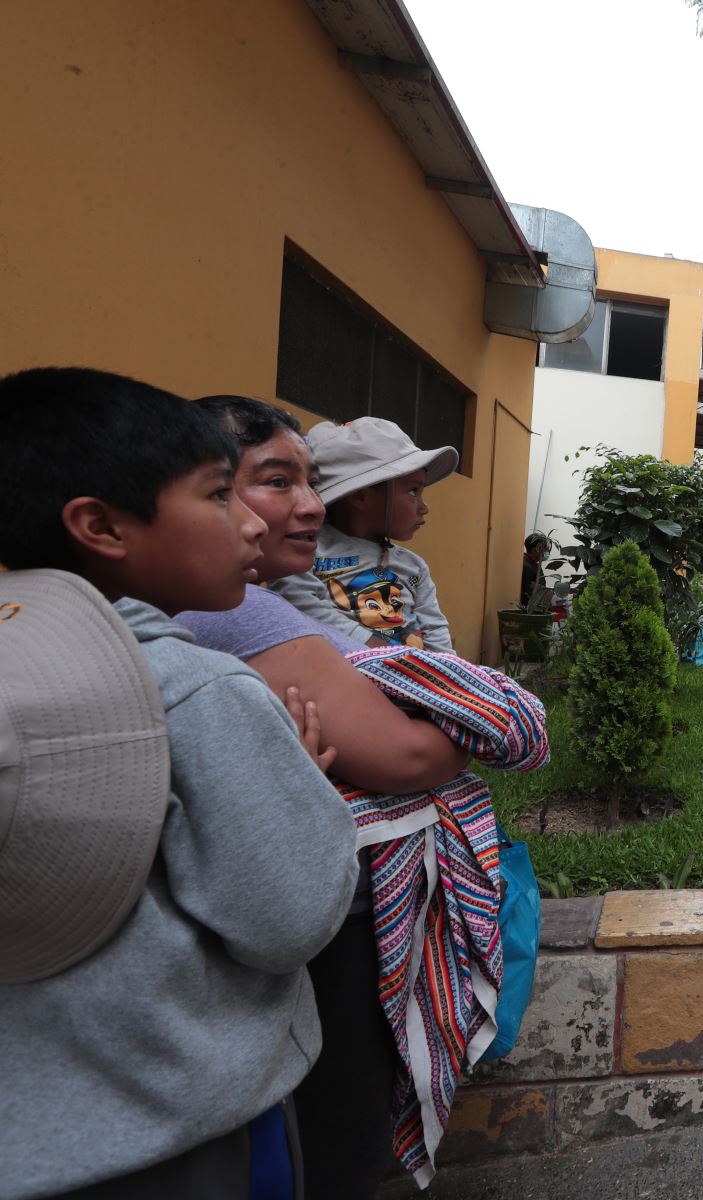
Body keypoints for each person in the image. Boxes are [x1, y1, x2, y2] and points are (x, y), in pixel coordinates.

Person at [0, 367, 358, 1197]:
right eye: (217, 496)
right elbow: (290, 918)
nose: (250, 526)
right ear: (100, 526)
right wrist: (296, 784)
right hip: (181, 1137)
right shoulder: (196, 687)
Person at [177, 395, 474, 1198]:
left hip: (315, 912)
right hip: (305, 925)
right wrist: (465, 721)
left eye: (309, 482)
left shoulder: (392, 573)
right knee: (336, 1123)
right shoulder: (245, 613)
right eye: (273, 483)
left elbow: (438, 664)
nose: (303, 506)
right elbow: (410, 750)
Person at [270, 416, 458, 652]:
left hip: (415, 678)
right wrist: (377, 650)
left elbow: (435, 629)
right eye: (413, 491)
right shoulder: (307, 551)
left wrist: (449, 671)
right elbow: (301, 603)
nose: (424, 507)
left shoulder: (414, 568)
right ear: (361, 496)